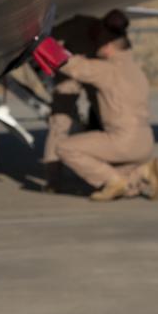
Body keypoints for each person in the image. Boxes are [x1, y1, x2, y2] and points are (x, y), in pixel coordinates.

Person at [52, 10, 158, 201]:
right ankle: (143, 172)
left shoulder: (108, 70)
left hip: (123, 141)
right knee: (124, 181)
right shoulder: (136, 71)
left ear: (107, 47)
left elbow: (73, 66)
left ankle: (113, 180)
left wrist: (43, 46)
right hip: (145, 141)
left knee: (65, 148)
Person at [40, 14, 100, 191]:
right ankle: (54, 178)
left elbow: (50, 39)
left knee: (60, 125)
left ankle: (54, 179)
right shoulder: (82, 23)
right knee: (60, 124)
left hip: (86, 70)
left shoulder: (84, 23)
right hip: (75, 72)